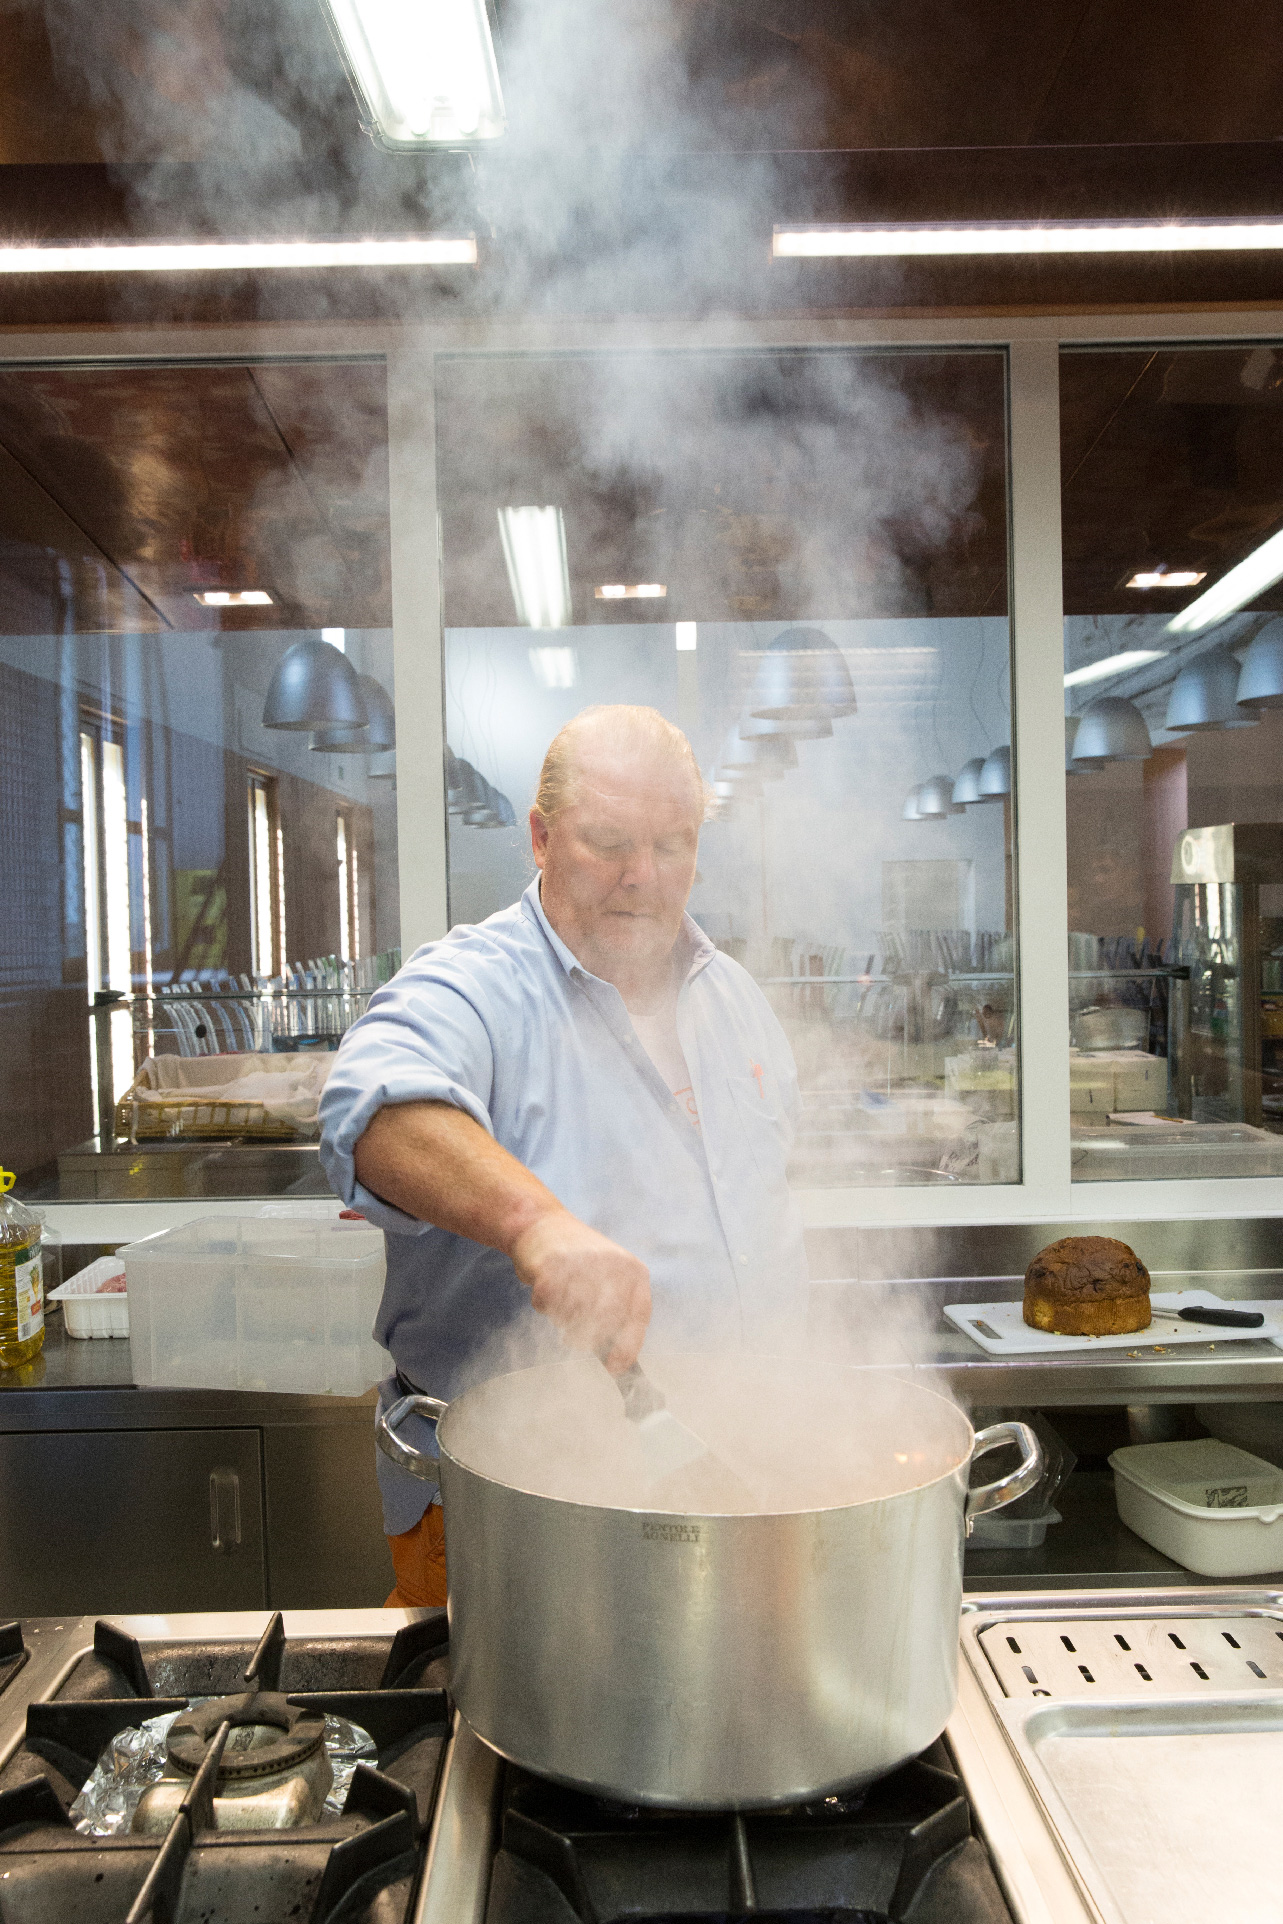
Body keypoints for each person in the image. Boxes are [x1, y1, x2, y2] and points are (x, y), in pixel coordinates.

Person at [319, 703, 808, 1607]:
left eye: (673, 845)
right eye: (610, 841)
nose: (643, 878)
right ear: (540, 838)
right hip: (516, 1505)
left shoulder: (730, 996)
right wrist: (535, 1223)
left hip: (728, 1482)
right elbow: (368, 1109)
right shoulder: (477, 984)